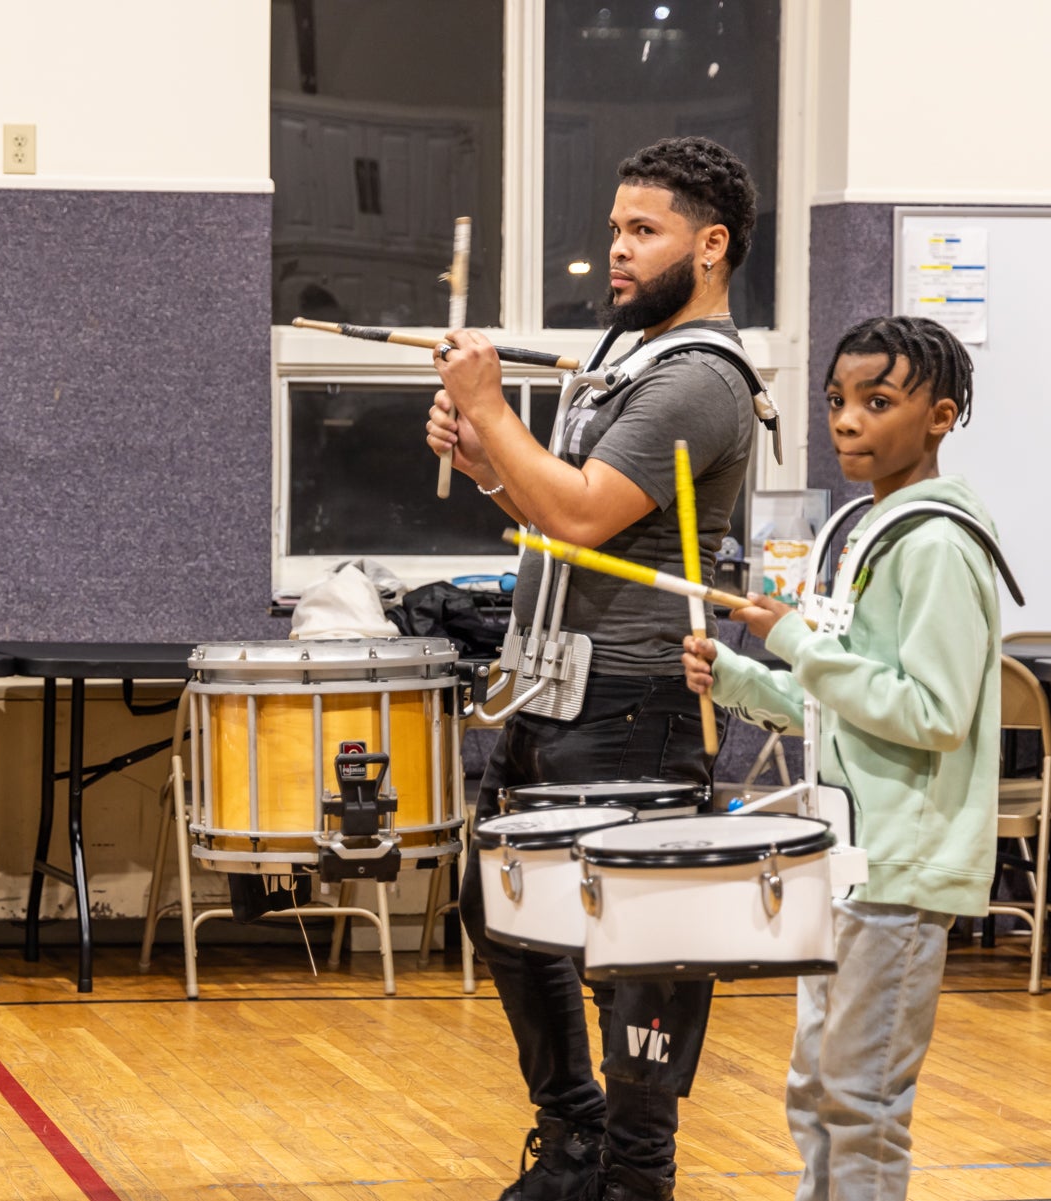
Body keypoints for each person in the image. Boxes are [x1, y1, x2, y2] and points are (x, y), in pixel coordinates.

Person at [425, 136, 759, 1201]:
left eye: (643, 231)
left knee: (641, 960)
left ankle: (633, 1170)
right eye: (615, 228)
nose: (616, 251)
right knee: (509, 916)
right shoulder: (629, 364)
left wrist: (485, 408)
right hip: (550, 691)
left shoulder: (702, 380)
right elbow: (559, 519)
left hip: (635, 707)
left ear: (710, 247)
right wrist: (489, 466)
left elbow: (575, 507)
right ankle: (573, 1140)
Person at [683, 315, 1000, 1201]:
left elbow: (933, 715)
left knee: (860, 1098)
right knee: (815, 1089)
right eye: (835, 401)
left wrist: (795, 640)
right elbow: (842, 708)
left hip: (904, 868)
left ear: (940, 416)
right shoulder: (868, 529)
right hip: (848, 861)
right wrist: (741, 677)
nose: (847, 420)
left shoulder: (935, 542)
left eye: (877, 401)